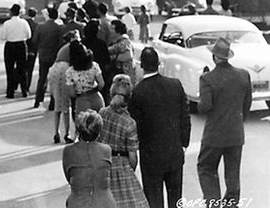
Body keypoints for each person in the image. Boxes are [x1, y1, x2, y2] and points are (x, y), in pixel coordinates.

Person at [130, 47, 191, 208]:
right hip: (174, 152)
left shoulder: (138, 92)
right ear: (159, 63)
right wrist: (183, 144)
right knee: (175, 198)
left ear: (142, 65)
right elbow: (185, 117)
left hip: (151, 156)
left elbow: (135, 125)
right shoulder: (175, 85)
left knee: (154, 199)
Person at [197, 37, 252, 207]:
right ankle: (231, 204)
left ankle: (213, 204)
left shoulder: (207, 78)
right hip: (236, 134)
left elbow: (204, 107)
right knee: (233, 172)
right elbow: (247, 104)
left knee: (206, 168)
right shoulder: (244, 75)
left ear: (214, 57)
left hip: (214, 135)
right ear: (228, 56)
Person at [98, 74, 150, 208]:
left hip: (103, 164)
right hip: (122, 165)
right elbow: (133, 158)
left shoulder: (102, 113)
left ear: (111, 93)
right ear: (129, 98)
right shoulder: (129, 123)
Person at [62, 109, 117, 208]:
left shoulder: (68, 151)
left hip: (78, 203)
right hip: (105, 203)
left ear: (78, 131)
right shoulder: (106, 150)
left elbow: (69, 176)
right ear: (99, 132)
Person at [48, 30, 80, 144]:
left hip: (54, 70)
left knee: (58, 104)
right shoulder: (73, 47)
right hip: (63, 71)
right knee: (65, 106)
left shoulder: (64, 48)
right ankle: (67, 133)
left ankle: (56, 132)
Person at [33, 7, 63, 108]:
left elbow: (35, 40)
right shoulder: (58, 28)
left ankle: (38, 100)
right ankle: (52, 103)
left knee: (42, 78)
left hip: (43, 55)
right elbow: (60, 43)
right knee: (54, 79)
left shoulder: (40, 27)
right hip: (54, 56)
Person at [0, 3, 32, 98]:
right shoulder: (24, 22)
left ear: (11, 12)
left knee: (9, 69)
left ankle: (10, 92)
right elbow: (29, 35)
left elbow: (2, 37)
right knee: (22, 69)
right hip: (21, 45)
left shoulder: (7, 23)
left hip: (10, 45)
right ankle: (24, 90)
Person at [65, 40, 104, 115]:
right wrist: (94, 89)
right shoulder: (94, 66)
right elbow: (101, 84)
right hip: (97, 98)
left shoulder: (70, 71)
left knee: (83, 124)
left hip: (82, 100)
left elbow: (72, 93)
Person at [83, 19, 111, 104]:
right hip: (99, 75)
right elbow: (107, 61)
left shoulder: (82, 44)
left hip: (83, 75)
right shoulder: (101, 44)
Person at [107, 19, 135, 84]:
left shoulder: (124, 42)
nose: (110, 31)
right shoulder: (117, 41)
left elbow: (128, 56)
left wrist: (113, 57)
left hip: (125, 76)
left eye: (112, 29)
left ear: (118, 31)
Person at [24, 7, 39, 92]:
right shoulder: (36, 25)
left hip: (23, 47)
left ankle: (17, 84)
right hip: (32, 49)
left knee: (22, 67)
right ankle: (27, 87)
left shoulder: (24, 22)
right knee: (30, 69)